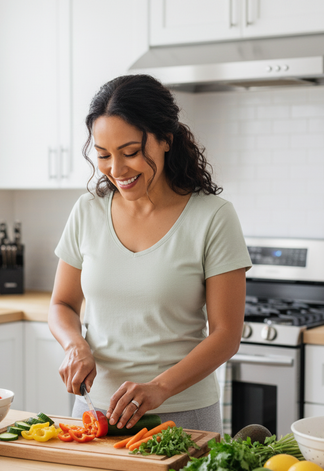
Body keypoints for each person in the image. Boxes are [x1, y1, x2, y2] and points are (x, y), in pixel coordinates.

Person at [48, 74, 252, 435]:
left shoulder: (213, 216)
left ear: (166, 140)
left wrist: (160, 388)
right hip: (93, 410)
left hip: (181, 415)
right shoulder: (87, 211)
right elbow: (61, 304)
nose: (116, 169)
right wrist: (74, 345)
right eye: (103, 155)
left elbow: (226, 334)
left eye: (130, 153)